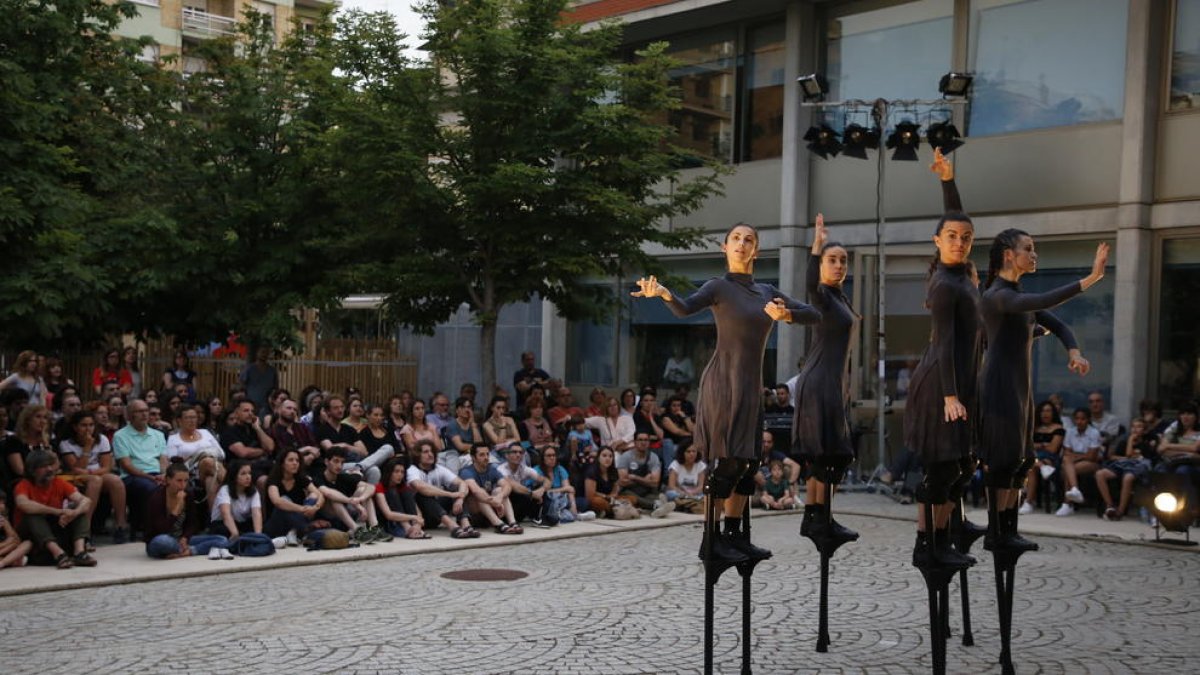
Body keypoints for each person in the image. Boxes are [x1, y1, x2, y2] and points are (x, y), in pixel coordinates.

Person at [633, 224, 818, 563]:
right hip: (723, 382)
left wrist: (786, 314)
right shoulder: (719, 286)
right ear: (725, 247)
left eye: (749, 240)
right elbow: (685, 307)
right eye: (736, 239)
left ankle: (734, 536)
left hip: (750, 386)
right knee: (728, 463)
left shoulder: (766, 292)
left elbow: (814, 314)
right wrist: (662, 293)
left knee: (749, 464)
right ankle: (711, 540)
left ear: (757, 251)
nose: (742, 244)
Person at [975, 204, 1107, 549]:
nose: (1035, 255)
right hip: (999, 389)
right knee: (1002, 463)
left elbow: (1058, 324)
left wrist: (1074, 351)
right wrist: (1090, 279)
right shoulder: (997, 296)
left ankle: (1007, 530)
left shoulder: (1016, 296)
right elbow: (1045, 299)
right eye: (1028, 249)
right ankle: (997, 532)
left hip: (1020, 391)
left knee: (1020, 463)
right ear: (1009, 255)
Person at [902, 160, 982, 569]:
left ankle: (949, 529)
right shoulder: (946, 285)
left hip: (960, 381)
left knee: (963, 464)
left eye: (966, 238)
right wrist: (951, 395)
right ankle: (927, 542)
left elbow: (956, 218)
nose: (959, 241)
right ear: (937, 241)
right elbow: (947, 342)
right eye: (951, 237)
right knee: (942, 468)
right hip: (940, 383)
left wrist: (949, 181)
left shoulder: (962, 272)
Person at [791, 211, 863, 546]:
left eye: (843, 260)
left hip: (831, 384)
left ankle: (817, 517)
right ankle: (820, 517)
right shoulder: (821, 293)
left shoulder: (839, 297)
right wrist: (816, 247)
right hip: (819, 382)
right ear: (821, 265)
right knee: (831, 454)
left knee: (830, 455)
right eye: (832, 260)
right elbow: (807, 284)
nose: (838, 265)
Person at [13, 450, 95, 568]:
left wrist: (74, 513)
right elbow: (24, 504)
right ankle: (59, 554)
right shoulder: (23, 485)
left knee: (79, 510)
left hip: (53, 529)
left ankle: (79, 552)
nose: (50, 469)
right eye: (43, 466)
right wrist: (59, 512)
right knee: (33, 515)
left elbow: (86, 501)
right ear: (32, 470)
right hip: (30, 536)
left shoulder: (59, 482)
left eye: (51, 465)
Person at [57, 410, 130, 544]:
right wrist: (87, 447)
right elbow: (75, 469)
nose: (88, 429)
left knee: (115, 480)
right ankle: (85, 530)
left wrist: (89, 473)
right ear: (75, 427)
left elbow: (106, 467)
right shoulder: (66, 443)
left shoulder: (102, 439)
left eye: (91, 425)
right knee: (96, 481)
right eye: (83, 425)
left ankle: (121, 525)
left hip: (96, 474)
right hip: (74, 477)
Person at [145, 462, 232, 559]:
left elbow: (193, 523)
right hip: (160, 539)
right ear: (168, 480)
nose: (183, 485)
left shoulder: (188, 494)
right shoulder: (157, 497)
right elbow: (163, 529)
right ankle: (188, 549)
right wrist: (177, 508)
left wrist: (185, 537)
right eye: (179, 481)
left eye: (186, 481)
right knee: (163, 542)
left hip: (181, 539)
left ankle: (188, 551)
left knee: (222, 540)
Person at [113, 399, 168, 535]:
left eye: (146, 411)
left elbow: (163, 459)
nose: (144, 414)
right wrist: (150, 477)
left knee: (182, 487)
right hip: (133, 476)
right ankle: (152, 529)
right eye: (139, 411)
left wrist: (164, 474)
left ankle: (174, 527)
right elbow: (126, 465)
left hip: (157, 474)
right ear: (131, 415)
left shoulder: (158, 435)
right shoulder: (120, 436)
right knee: (150, 487)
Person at [313, 448, 387, 543]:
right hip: (328, 517)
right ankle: (356, 530)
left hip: (345, 515)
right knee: (335, 499)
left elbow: (371, 487)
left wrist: (361, 498)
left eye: (342, 462)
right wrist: (351, 501)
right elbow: (328, 492)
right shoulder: (318, 477)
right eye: (336, 461)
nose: (339, 466)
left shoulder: (343, 477)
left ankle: (374, 527)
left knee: (362, 490)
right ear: (327, 462)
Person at [407, 441, 477, 538]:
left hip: (436, 513)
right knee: (423, 495)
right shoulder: (412, 469)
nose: (430, 454)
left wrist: (460, 498)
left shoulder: (438, 468)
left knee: (457, 489)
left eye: (432, 451)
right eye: (426, 452)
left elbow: (462, 483)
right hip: (420, 517)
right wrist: (449, 494)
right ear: (417, 455)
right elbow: (420, 487)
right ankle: (453, 527)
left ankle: (465, 524)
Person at [167, 406, 226, 512]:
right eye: (188, 418)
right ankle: (231, 485)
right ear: (179, 420)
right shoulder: (173, 438)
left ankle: (215, 519)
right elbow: (173, 462)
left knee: (210, 481)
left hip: (213, 467)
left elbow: (221, 453)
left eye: (194, 417)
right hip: (190, 472)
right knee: (207, 461)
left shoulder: (205, 433)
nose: (192, 420)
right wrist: (197, 455)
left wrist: (203, 454)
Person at [1095, 418, 1153, 521]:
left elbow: (1129, 454)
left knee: (1127, 478)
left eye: (1139, 427)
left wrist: (1130, 441)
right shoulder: (1123, 442)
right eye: (1133, 427)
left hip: (1136, 468)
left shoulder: (1145, 443)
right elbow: (1113, 456)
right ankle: (1110, 506)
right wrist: (1125, 458)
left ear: (1144, 430)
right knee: (1100, 474)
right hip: (1122, 466)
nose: (1135, 429)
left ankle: (1120, 511)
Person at [263, 448, 325, 543]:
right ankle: (304, 530)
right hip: (276, 524)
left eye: (297, 460)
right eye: (291, 460)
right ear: (282, 463)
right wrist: (302, 509)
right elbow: (277, 501)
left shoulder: (301, 478)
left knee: (313, 496)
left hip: (298, 518)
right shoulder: (273, 480)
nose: (295, 463)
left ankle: (295, 531)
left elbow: (319, 495)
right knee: (284, 499)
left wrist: (315, 507)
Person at [460, 443, 522, 534]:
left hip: (490, 511)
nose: (486, 457)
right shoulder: (466, 472)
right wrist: (494, 502)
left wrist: (499, 497)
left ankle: (512, 522)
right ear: (473, 457)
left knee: (500, 490)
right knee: (480, 494)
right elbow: (476, 491)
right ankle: (498, 524)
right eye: (482, 455)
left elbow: (507, 486)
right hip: (474, 516)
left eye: (487, 454)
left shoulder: (492, 469)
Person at [1018, 401, 1067, 514]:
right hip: (1033, 457)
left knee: (1031, 464)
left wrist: (1036, 446)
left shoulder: (1058, 428)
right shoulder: (1034, 428)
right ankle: (1028, 502)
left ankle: (1028, 502)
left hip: (1050, 459)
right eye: (1043, 411)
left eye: (1048, 411)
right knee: (1030, 465)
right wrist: (1042, 445)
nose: (1045, 414)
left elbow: (1052, 449)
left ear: (1053, 413)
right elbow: (1026, 445)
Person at [1057, 408, 1104, 516]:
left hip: (1092, 464)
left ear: (1088, 420)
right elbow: (1066, 452)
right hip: (1074, 463)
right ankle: (1074, 490)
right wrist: (1077, 457)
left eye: (1082, 419)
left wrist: (1075, 457)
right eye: (1077, 419)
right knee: (1067, 464)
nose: (1079, 421)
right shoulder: (1070, 431)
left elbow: (1092, 456)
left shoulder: (1094, 432)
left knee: (1067, 468)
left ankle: (1067, 503)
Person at [616, 433, 672, 516]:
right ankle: (655, 506)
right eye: (640, 440)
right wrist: (645, 479)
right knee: (632, 498)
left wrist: (635, 477)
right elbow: (623, 481)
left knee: (659, 496)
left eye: (646, 440)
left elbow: (655, 483)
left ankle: (657, 506)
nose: (643, 442)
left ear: (649, 442)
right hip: (630, 491)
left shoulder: (653, 457)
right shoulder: (626, 456)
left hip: (646, 491)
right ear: (634, 442)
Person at [498, 444, 554, 526]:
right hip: (503, 505)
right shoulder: (501, 469)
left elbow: (547, 481)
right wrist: (532, 494)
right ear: (507, 455)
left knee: (539, 488)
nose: (518, 455)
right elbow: (513, 485)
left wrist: (541, 490)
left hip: (519, 504)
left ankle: (538, 517)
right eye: (514, 452)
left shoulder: (524, 468)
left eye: (520, 453)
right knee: (518, 492)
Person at [220, 399, 276, 481]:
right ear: (236, 413)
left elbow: (270, 447)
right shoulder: (229, 432)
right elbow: (243, 453)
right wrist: (264, 451)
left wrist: (258, 429)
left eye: (252, 411)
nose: (250, 413)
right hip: (242, 469)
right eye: (246, 411)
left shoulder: (255, 429)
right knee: (264, 480)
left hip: (263, 464)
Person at [374, 457, 427, 539]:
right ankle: (408, 528)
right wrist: (413, 517)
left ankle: (413, 529)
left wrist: (417, 524)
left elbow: (417, 510)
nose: (400, 475)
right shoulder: (379, 487)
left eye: (402, 472)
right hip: (388, 523)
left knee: (407, 493)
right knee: (392, 492)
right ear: (389, 472)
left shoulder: (403, 488)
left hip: (406, 520)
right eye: (396, 471)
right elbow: (388, 515)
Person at [210, 461, 263, 538]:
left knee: (257, 528)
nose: (248, 477)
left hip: (241, 524)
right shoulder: (225, 490)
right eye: (243, 474)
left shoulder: (254, 491)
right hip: (223, 523)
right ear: (234, 476)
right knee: (223, 531)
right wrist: (235, 533)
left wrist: (258, 536)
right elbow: (226, 514)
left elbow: (256, 513)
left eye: (249, 473)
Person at [536, 446, 583, 523]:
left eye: (554, 455)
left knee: (583, 502)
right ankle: (569, 515)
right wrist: (563, 489)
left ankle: (573, 514)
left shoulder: (560, 469)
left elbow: (569, 489)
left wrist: (573, 506)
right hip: (545, 500)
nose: (552, 458)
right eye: (548, 456)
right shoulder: (536, 471)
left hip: (562, 499)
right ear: (542, 458)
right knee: (551, 499)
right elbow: (543, 491)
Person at [442, 397, 482, 473]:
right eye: (463, 407)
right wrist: (474, 446)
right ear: (457, 410)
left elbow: (480, 444)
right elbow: (460, 446)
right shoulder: (453, 425)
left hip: (472, 454)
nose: (467, 410)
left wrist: (473, 425)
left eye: (469, 407)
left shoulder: (473, 425)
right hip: (456, 456)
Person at [665, 444, 707, 513]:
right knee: (670, 494)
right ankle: (691, 504)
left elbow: (701, 486)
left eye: (694, 451)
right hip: (680, 493)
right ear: (682, 453)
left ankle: (684, 505)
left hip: (695, 494)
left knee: (706, 496)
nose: (691, 454)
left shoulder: (700, 465)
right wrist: (685, 494)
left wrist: (692, 493)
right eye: (688, 451)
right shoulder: (675, 464)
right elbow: (671, 486)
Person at [238, 347, 279, 416]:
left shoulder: (272, 371)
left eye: (266, 353)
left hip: (266, 405)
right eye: (262, 352)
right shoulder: (249, 369)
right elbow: (241, 383)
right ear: (257, 353)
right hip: (251, 403)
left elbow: (275, 388)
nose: (264, 354)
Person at [584, 446, 623, 518]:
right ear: (598, 457)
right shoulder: (592, 471)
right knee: (599, 502)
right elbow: (590, 494)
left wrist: (612, 496)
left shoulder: (614, 471)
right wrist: (606, 497)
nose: (607, 458)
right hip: (596, 498)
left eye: (610, 456)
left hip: (610, 499)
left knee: (632, 499)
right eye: (604, 456)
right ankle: (613, 511)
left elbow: (616, 490)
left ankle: (611, 510)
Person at [0, 498, 32, 570]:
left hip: (5, 549)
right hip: (5, 547)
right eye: (0, 503)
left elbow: (16, 540)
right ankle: (11, 560)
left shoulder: (3, 519)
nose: (2, 506)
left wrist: (5, 523)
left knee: (28, 543)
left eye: (3, 503)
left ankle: (2, 563)